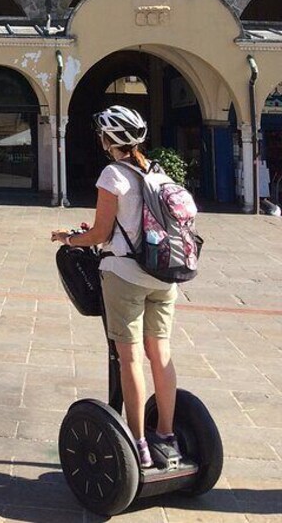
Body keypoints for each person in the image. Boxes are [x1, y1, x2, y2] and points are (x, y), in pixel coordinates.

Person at [50, 105, 181, 468]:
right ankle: (167, 434)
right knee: (162, 354)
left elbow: (100, 233)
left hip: (125, 276)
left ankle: (137, 441)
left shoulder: (112, 175)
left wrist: (69, 238)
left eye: (103, 135)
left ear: (111, 139)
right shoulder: (158, 172)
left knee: (129, 358)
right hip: (164, 275)